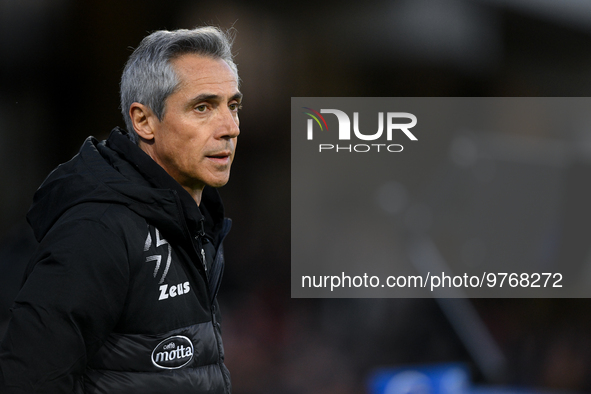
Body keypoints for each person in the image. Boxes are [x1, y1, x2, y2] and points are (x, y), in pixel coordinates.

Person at [0, 26, 241, 393]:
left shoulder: (195, 222)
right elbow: (29, 380)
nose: (229, 127)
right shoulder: (99, 230)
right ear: (144, 121)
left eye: (233, 105)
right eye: (203, 107)